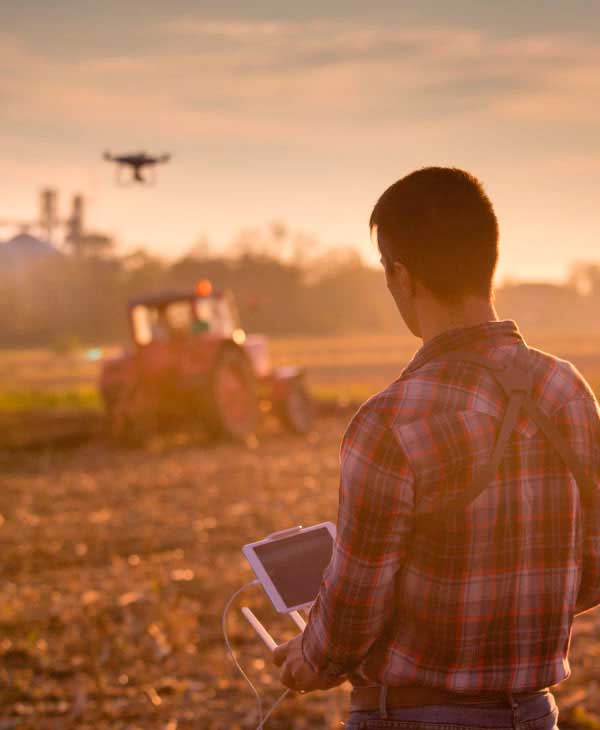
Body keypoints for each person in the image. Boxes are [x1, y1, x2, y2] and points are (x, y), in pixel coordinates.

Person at [273, 167, 600, 730]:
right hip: (534, 713)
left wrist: (307, 659)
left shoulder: (391, 420)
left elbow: (352, 614)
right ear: (487, 259)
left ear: (402, 275)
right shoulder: (567, 391)